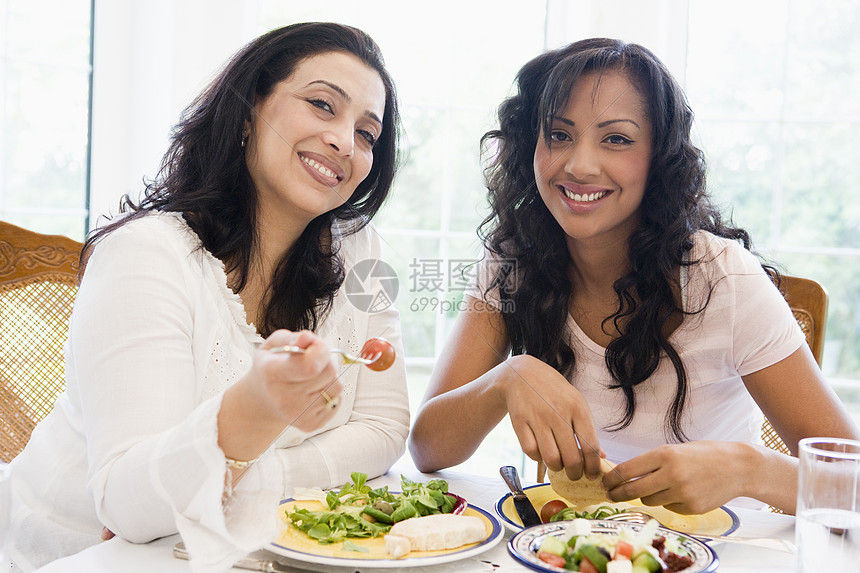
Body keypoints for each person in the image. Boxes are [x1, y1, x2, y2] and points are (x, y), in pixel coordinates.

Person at [8, 22, 409, 572]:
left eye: (368, 133)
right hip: (78, 556)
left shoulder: (362, 252)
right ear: (249, 113)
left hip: (248, 550)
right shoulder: (146, 254)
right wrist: (251, 412)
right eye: (322, 104)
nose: (345, 140)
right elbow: (129, 509)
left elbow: (385, 430)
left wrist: (244, 478)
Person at [408, 38, 858, 515]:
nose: (579, 165)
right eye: (559, 135)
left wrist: (750, 469)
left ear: (659, 158)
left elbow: (850, 483)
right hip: (574, 547)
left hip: (716, 551)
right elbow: (429, 449)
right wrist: (507, 378)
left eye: (617, 139)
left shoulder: (725, 279)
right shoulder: (513, 261)